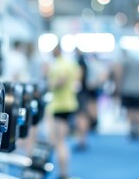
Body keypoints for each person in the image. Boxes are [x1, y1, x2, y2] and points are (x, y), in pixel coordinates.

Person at [47, 45, 81, 179]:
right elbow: (77, 78)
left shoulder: (59, 65)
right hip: (69, 103)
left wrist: (50, 86)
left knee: (60, 142)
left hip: (60, 106)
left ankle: (63, 173)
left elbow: (62, 80)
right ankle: (63, 172)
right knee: (61, 140)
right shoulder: (71, 64)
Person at [113, 50, 139, 140]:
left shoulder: (123, 62)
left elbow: (119, 74)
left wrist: (118, 87)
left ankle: (131, 130)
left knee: (129, 110)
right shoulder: (138, 61)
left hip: (127, 89)